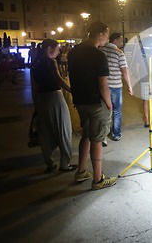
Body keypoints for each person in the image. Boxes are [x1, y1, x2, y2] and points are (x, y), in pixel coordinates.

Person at [68, 21, 117, 190]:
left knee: (87, 135)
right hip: (96, 103)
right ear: (101, 34)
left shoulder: (74, 52)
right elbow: (103, 85)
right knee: (97, 139)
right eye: (107, 34)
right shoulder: (98, 55)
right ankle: (98, 179)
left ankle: (81, 171)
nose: (108, 37)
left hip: (80, 101)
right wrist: (110, 104)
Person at [30, 39, 76, 173]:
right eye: (57, 49)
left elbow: (34, 88)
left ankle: (49, 163)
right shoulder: (51, 61)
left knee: (46, 132)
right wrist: (72, 91)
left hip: (41, 99)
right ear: (49, 48)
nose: (59, 51)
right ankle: (65, 164)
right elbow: (58, 79)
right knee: (64, 129)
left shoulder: (34, 64)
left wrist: (36, 105)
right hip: (55, 97)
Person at [99, 32, 133, 145]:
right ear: (115, 40)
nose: (122, 43)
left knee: (104, 111)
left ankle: (102, 136)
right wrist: (129, 86)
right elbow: (124, 71)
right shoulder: (119, 53)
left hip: (102, 86)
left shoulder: (100, 51)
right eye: (121, 40)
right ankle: (116, 134)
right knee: (117, 111)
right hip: (116, 87)